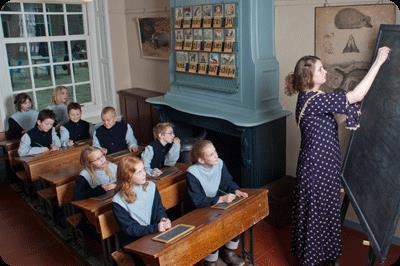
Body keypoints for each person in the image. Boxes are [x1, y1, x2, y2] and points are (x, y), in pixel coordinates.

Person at [286, 46, 390, 266]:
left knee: (324, 212)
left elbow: (335, 120)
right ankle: (312, 261)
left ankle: (321, 257)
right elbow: (357, 95)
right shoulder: (314, 100)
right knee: (317, 215)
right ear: (308, 76)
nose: (326, 71)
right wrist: (378, 62)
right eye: (321, 69)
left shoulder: (314, 97)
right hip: (317, 168)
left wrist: (350, 110)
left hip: (324, 166)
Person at [184, 139, 248, 266]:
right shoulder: (192, 173)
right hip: (196, 211)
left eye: (215, 151)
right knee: (212, 226)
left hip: (213, 204)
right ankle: (211, 261)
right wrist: (221, 199)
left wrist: (235, 190)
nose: (216, 156)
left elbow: (227, 182)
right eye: (211, 154)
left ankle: (228, 252)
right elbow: (198, 201)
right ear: (201, 160)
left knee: (236, 215)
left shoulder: (219, 163)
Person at [112, 156, 171, 264]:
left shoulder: (151, 186)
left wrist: (163, 220)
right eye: (139, 172)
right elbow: (130, 229)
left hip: (153, 232)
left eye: (143, 169)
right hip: (134, 240)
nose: (144, 173)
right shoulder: (118, 200)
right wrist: (155, 228)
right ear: (128, 176)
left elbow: (159, 208)